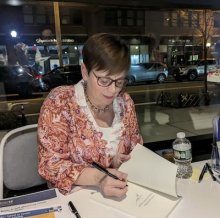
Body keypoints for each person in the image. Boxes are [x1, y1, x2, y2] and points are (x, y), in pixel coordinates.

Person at [38, 33, 143, 198]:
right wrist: (99, 178)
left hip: (119, 195)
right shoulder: (60, 102)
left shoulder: (125, 102)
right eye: (104, 80)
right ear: (85, 72)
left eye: (120, 81)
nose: (113, 90)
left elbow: (136, 149)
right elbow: (51, 165)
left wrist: (119, 161)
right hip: (73, 200)